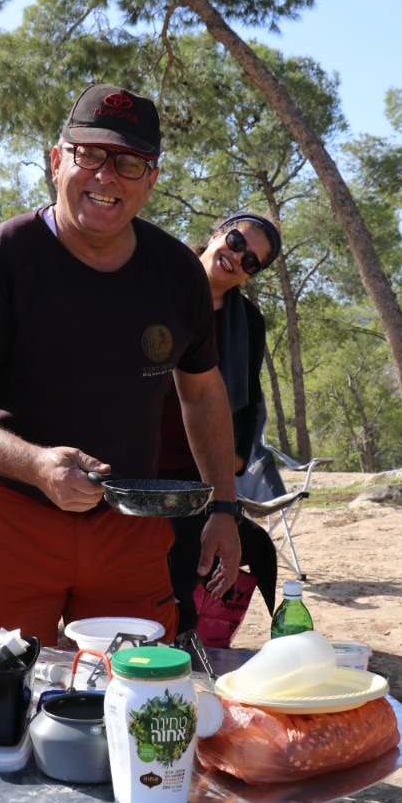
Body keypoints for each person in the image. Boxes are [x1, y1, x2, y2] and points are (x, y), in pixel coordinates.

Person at [0, 83, 241, 803]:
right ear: (55, 159)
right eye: (92, 154)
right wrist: (34, 462)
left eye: (130, 162)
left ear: (150, 179)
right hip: (11, 524)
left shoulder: (175, 271)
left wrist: (224, 508)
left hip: (129, 533)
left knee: (137, 716)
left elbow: (202, 395)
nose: (108, 176)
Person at [159, 211, 282, 634]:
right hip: (133, 464)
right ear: (216, 234)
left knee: (177, 594)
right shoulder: (157, 283)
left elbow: (249, 394)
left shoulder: (246, 321)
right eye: (236, 241)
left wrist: (237, 456)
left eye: (252, 263)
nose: (238, 258)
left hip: (193, 476)